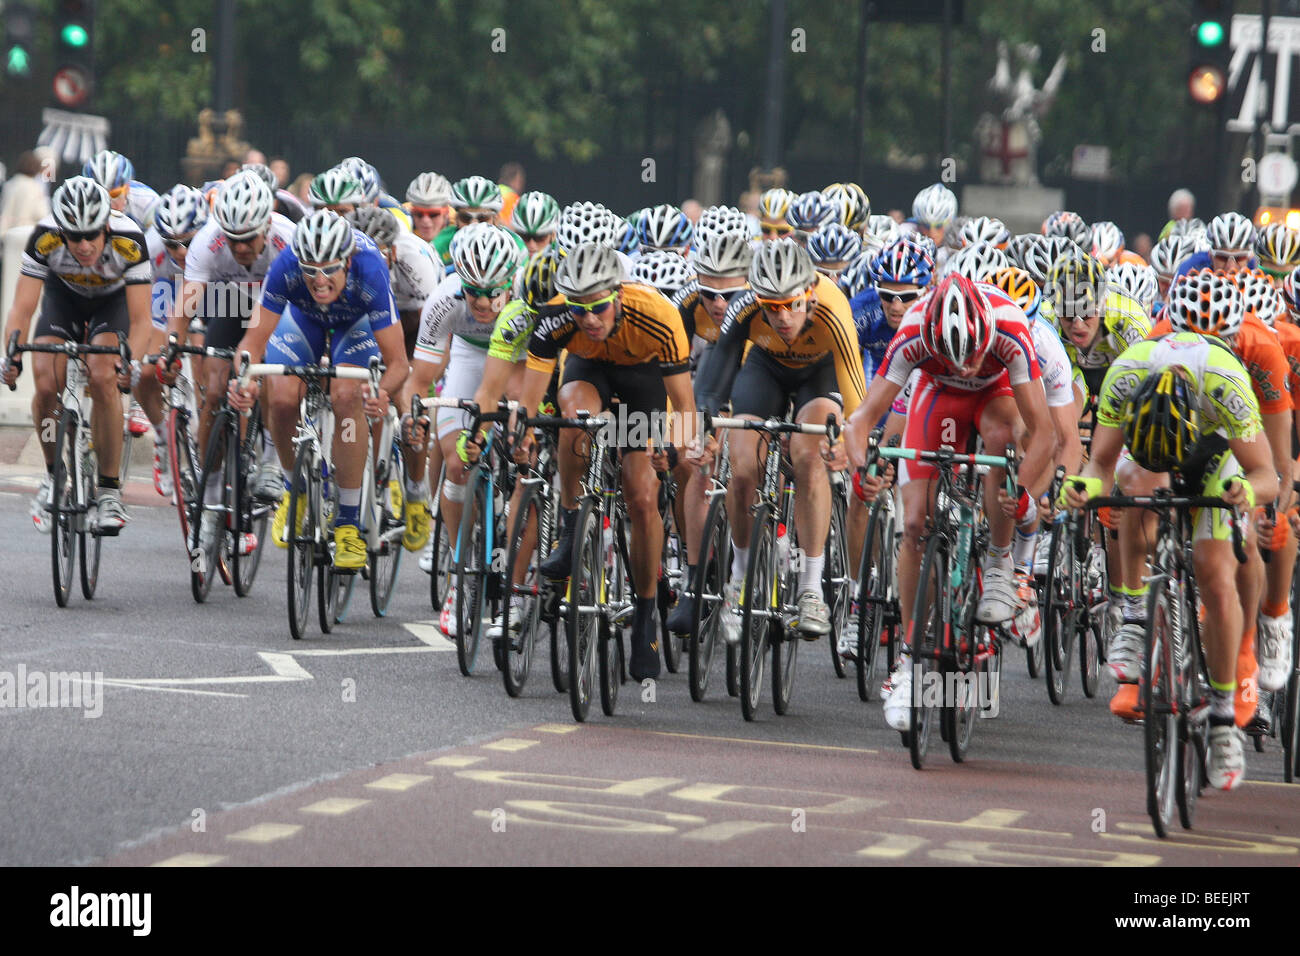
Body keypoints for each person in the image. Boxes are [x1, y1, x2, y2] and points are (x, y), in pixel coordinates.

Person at [227, 209, 409, 569]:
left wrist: (381, 391)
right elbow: (253, 340)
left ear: (347, 261)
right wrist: (244, 378)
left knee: (346, 395)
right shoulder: (286, 266)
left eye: (329, 269)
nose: (319, 280)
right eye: (310, 270)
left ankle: (347, 525)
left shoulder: (370, 268)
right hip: (304, 318)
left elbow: (400, 363)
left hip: (355, 323)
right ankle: (294, 491)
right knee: (279, 396)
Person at [2, 177, 152, 535]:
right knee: (44, 380)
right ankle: (55, 476)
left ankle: (109, 490)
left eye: (91, 235)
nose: (83, 245)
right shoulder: (45, 237)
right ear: (62, 230)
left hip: (111, 302)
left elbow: (142, 319)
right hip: (64, 298)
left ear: (106, 226)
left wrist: (132, 363)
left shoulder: (129, 240)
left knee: (102, 376)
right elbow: (21, 310)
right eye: (74, 236)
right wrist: (10, 357)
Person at [0, 151, 50, 235]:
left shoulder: (9, 185)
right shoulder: (36, 188)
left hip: (7, 234)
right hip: (26, 234)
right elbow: (41, 213)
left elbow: (4, 212)